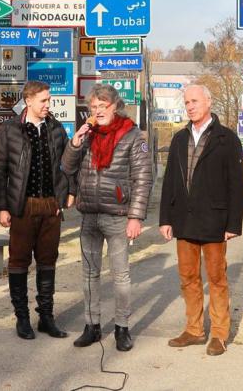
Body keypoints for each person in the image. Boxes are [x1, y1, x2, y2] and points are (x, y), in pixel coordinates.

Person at [62, 83, 153, 352]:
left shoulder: (132, 135)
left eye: (103, 106)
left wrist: (136, 217)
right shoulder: (87, 134)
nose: (98, 111)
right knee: (89, 273)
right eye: (94, 107)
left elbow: (143, 179)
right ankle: (92, 326)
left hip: (118, 216)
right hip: (89, 214)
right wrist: (75, 142)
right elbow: (66, 167)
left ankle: (122, 328)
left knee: (120, 275)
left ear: (115, 107)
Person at [159, 84, 243, 356]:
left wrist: (233, 224)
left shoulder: (227, 138)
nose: (190, 106)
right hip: (184, 221)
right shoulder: (179, 138)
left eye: (194, 101)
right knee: (188, 278)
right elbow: (170, 180)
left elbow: (236, 184)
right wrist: (165, 218)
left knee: (217, 279)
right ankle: (194, 330)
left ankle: (219, 334)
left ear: (208, 101)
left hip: (214, 221)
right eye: (187, 102)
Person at [0, 81, 71, 340]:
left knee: (48, 261)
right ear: (29, 101)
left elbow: (68, 164)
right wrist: (2, 207)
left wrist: (65, 195)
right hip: (22, 205)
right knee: (19, 261)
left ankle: (46, 317)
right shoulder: (10, 130)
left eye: (49, 100)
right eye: (43, 100)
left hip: (50, 205)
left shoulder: (56, 128)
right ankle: (22, 318)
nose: (48, 105)